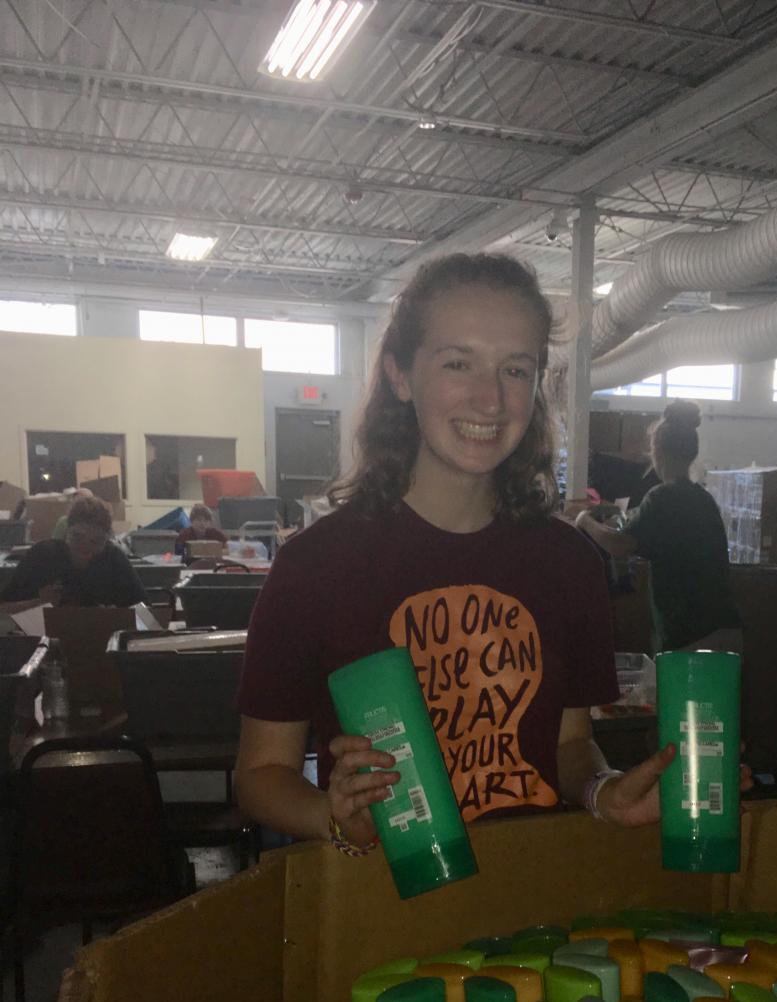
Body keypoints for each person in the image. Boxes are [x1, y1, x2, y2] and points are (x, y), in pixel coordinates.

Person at [235, 252, 688, 854]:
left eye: (515, 370)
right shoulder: (315, 567)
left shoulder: (568, 563)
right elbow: (261, 773)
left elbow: (568, 745)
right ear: (400, 376)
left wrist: (603, 791)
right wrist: (335, 815)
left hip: (532, 889)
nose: (491, 400)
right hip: (382, 896)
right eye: (458, 363)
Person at [576, 400, 741, 653]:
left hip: (690, 636)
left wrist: (584, 520)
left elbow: (620, 544)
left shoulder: (662, 496)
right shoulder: (703, 498)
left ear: (657, 452)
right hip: (727, 632)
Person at [1, 494, 144, 609]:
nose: (85, 547)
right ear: (66, 533)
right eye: (78, 537)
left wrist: (118, 616)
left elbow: (145, 614)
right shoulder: (43, 556)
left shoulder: (114, 559)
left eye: (95, 541)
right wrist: (40, 602)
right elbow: (3, 609)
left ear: (106, 540)